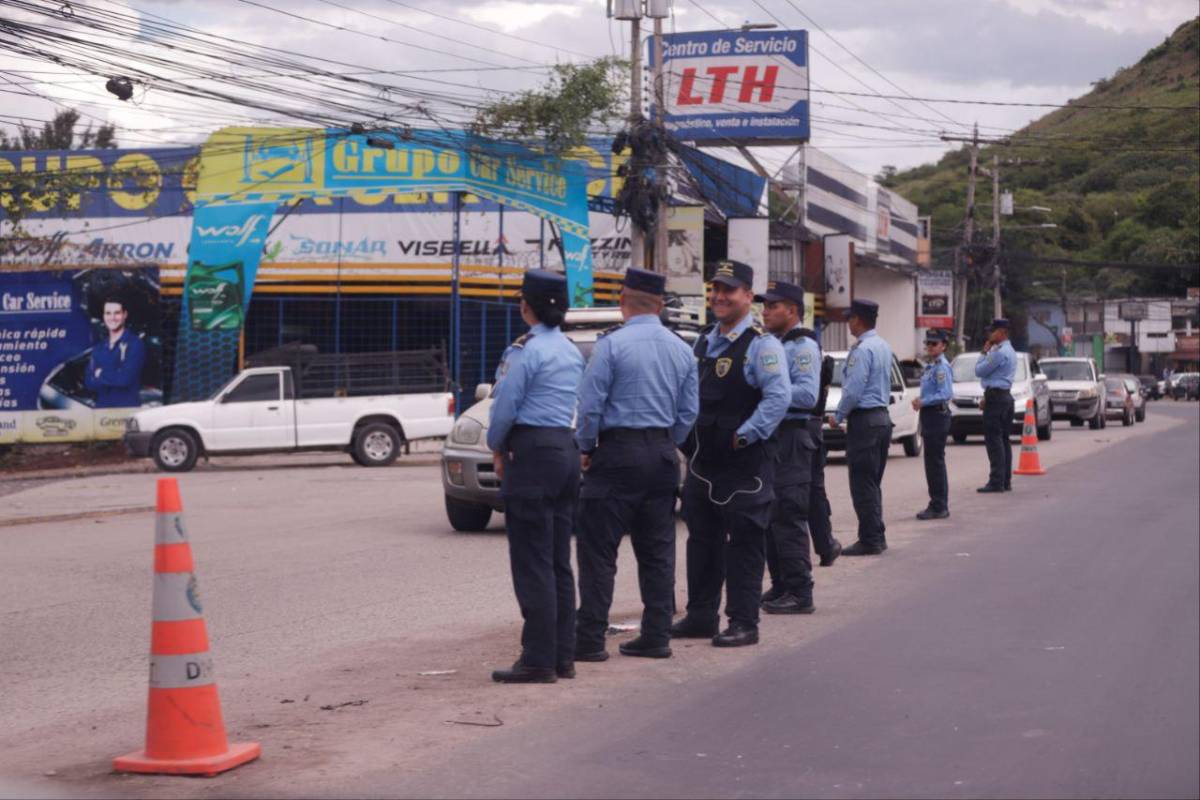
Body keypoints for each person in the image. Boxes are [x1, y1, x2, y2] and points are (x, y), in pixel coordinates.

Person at [574, 269, 699, 661]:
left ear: (623, 301)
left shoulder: (610, 346)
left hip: (616, 455)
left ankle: (591, 639)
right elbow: (688, 411)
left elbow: (591, 405)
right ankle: (657, 634)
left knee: (599, 551)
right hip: (661, 456)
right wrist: (664, 442)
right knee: (658, 551)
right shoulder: (681, 349)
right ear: (661, 306)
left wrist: (586, 446)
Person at [671, 260, 790, 648]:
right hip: (704, 463)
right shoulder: (704, 341)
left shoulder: (762, 345)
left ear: (748, 296)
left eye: (730, 290)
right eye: (716, 289)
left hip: (744, 465)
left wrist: (745, 435)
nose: (720, 296)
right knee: (701, 541)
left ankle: (743, 621)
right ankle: (701, 615)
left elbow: (778, 398)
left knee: (743, 543)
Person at [487, 270, 586, 684]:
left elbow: (505, 405)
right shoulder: (570, 350)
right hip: (565, 448)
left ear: (526, 305)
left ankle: (538, 659)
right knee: (558, 560)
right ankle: (563, 655)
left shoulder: (525, 352)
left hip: (532, 453)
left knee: (532, 562)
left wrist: (496, 445)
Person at [757, 280, 824, 614]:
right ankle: (781, 584)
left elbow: (808, 396)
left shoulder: (802, 347)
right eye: (765, 306)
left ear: (793, 310)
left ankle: (801, 592)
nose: (765, 311)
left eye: (773, 306)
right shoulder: (778, 344)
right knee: (771, 514)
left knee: (789, 514)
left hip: (792, 437)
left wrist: (768, 392)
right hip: (775, 437)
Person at [827, 299, 893, 556]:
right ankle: (877, 533)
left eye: (849, 318)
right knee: (872, 482)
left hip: (864, 421)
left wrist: (839, 415)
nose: (847, 323)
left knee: (862, 482)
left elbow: (853, 390)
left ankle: (870, 539)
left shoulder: (862, 350)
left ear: (858, 320)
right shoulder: (883, 345)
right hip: (881, 419)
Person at [913, 329, 954, 519]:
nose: (930, 346)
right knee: (932, 462)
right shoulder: (931, 366)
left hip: (937, 416)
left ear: (943, 346)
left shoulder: (941, 367)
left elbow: (945, 394)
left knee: (935, 462)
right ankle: (937, 502)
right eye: (928, 343)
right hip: (930, 415)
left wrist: (924, 401)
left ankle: (939, 505)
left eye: (934, 344)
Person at [975, 318, 1017, 493]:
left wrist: (983, 353)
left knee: (994, 440)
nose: (989, 334)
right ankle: (1005, 480)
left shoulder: (999, 352)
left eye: (992, 331)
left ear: (1001, 333)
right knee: (1003, 440)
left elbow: (979, 371)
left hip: (997, 399)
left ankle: (996, 481)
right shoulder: (1010, 350)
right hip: (1003, 396)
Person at [85, 298, 146, 409]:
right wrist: (115, 373)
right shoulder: (99, 347)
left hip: (126, 411)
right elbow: (89, 382)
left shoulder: (135, 344)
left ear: (124, 315)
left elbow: (125, 379)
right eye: (108, 313)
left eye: (117, 313)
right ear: (104, 316)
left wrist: (100, 374)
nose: (112, 318)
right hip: (101, 411)